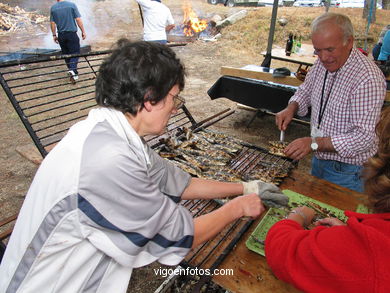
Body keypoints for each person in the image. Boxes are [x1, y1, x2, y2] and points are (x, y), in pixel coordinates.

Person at [0, 40, 288, 292]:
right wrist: (237, 207)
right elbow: (177, 237)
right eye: (174, 98)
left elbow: (180, 182)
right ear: (150, 99)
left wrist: (247, 187)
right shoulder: (108, 162)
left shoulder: (113, 134)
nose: (176, 107)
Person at [265, 106, 390, 292]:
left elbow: (279, 248)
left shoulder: (373, 253)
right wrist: (292, 106)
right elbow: (305, 91)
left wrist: (298, 215)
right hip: (322, 162)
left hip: (345, 168)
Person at [275, 13, 386, 193]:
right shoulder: (322, 63)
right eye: (318, 50)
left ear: (349, 42)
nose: (324, 57)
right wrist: (292, 107)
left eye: (329, 50)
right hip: (320, 158)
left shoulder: (367, 78)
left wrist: (313, 143)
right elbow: (306, 90)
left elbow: (364, 138)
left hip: (350, 171)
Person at [50, 0, 87, 84]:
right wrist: (83, 31)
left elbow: (52, 23)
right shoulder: (71, 5)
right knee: (75, 53)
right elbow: (78, 19)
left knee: (66, 55)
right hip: (71, 34)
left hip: (61, 36)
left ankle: (73, 73)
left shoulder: (53, 8)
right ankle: (72, 70)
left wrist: (54, 35)